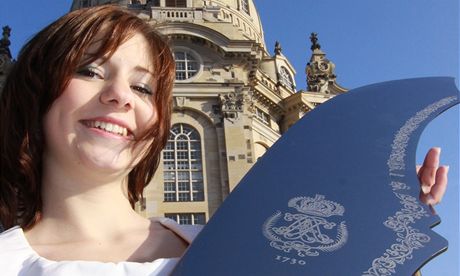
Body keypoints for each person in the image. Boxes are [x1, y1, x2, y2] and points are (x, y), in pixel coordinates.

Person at [0, 5, 448, 276]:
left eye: (143, 87)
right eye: (90, 70)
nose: (119, 96)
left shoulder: (256, 248)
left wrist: (374, 235)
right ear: (35, 92)